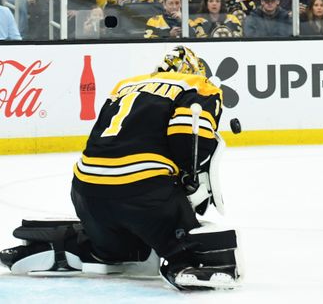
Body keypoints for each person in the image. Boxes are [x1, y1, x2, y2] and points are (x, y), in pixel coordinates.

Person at [0, 46, 240, 290]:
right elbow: (185, 137)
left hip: (86, 193)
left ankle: (71, 248)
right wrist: (187, 177)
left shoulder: (125, 86)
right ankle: (184, 262)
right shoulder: (197, 85)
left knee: (119, 250)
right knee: (178, 237)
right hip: (144, 193)